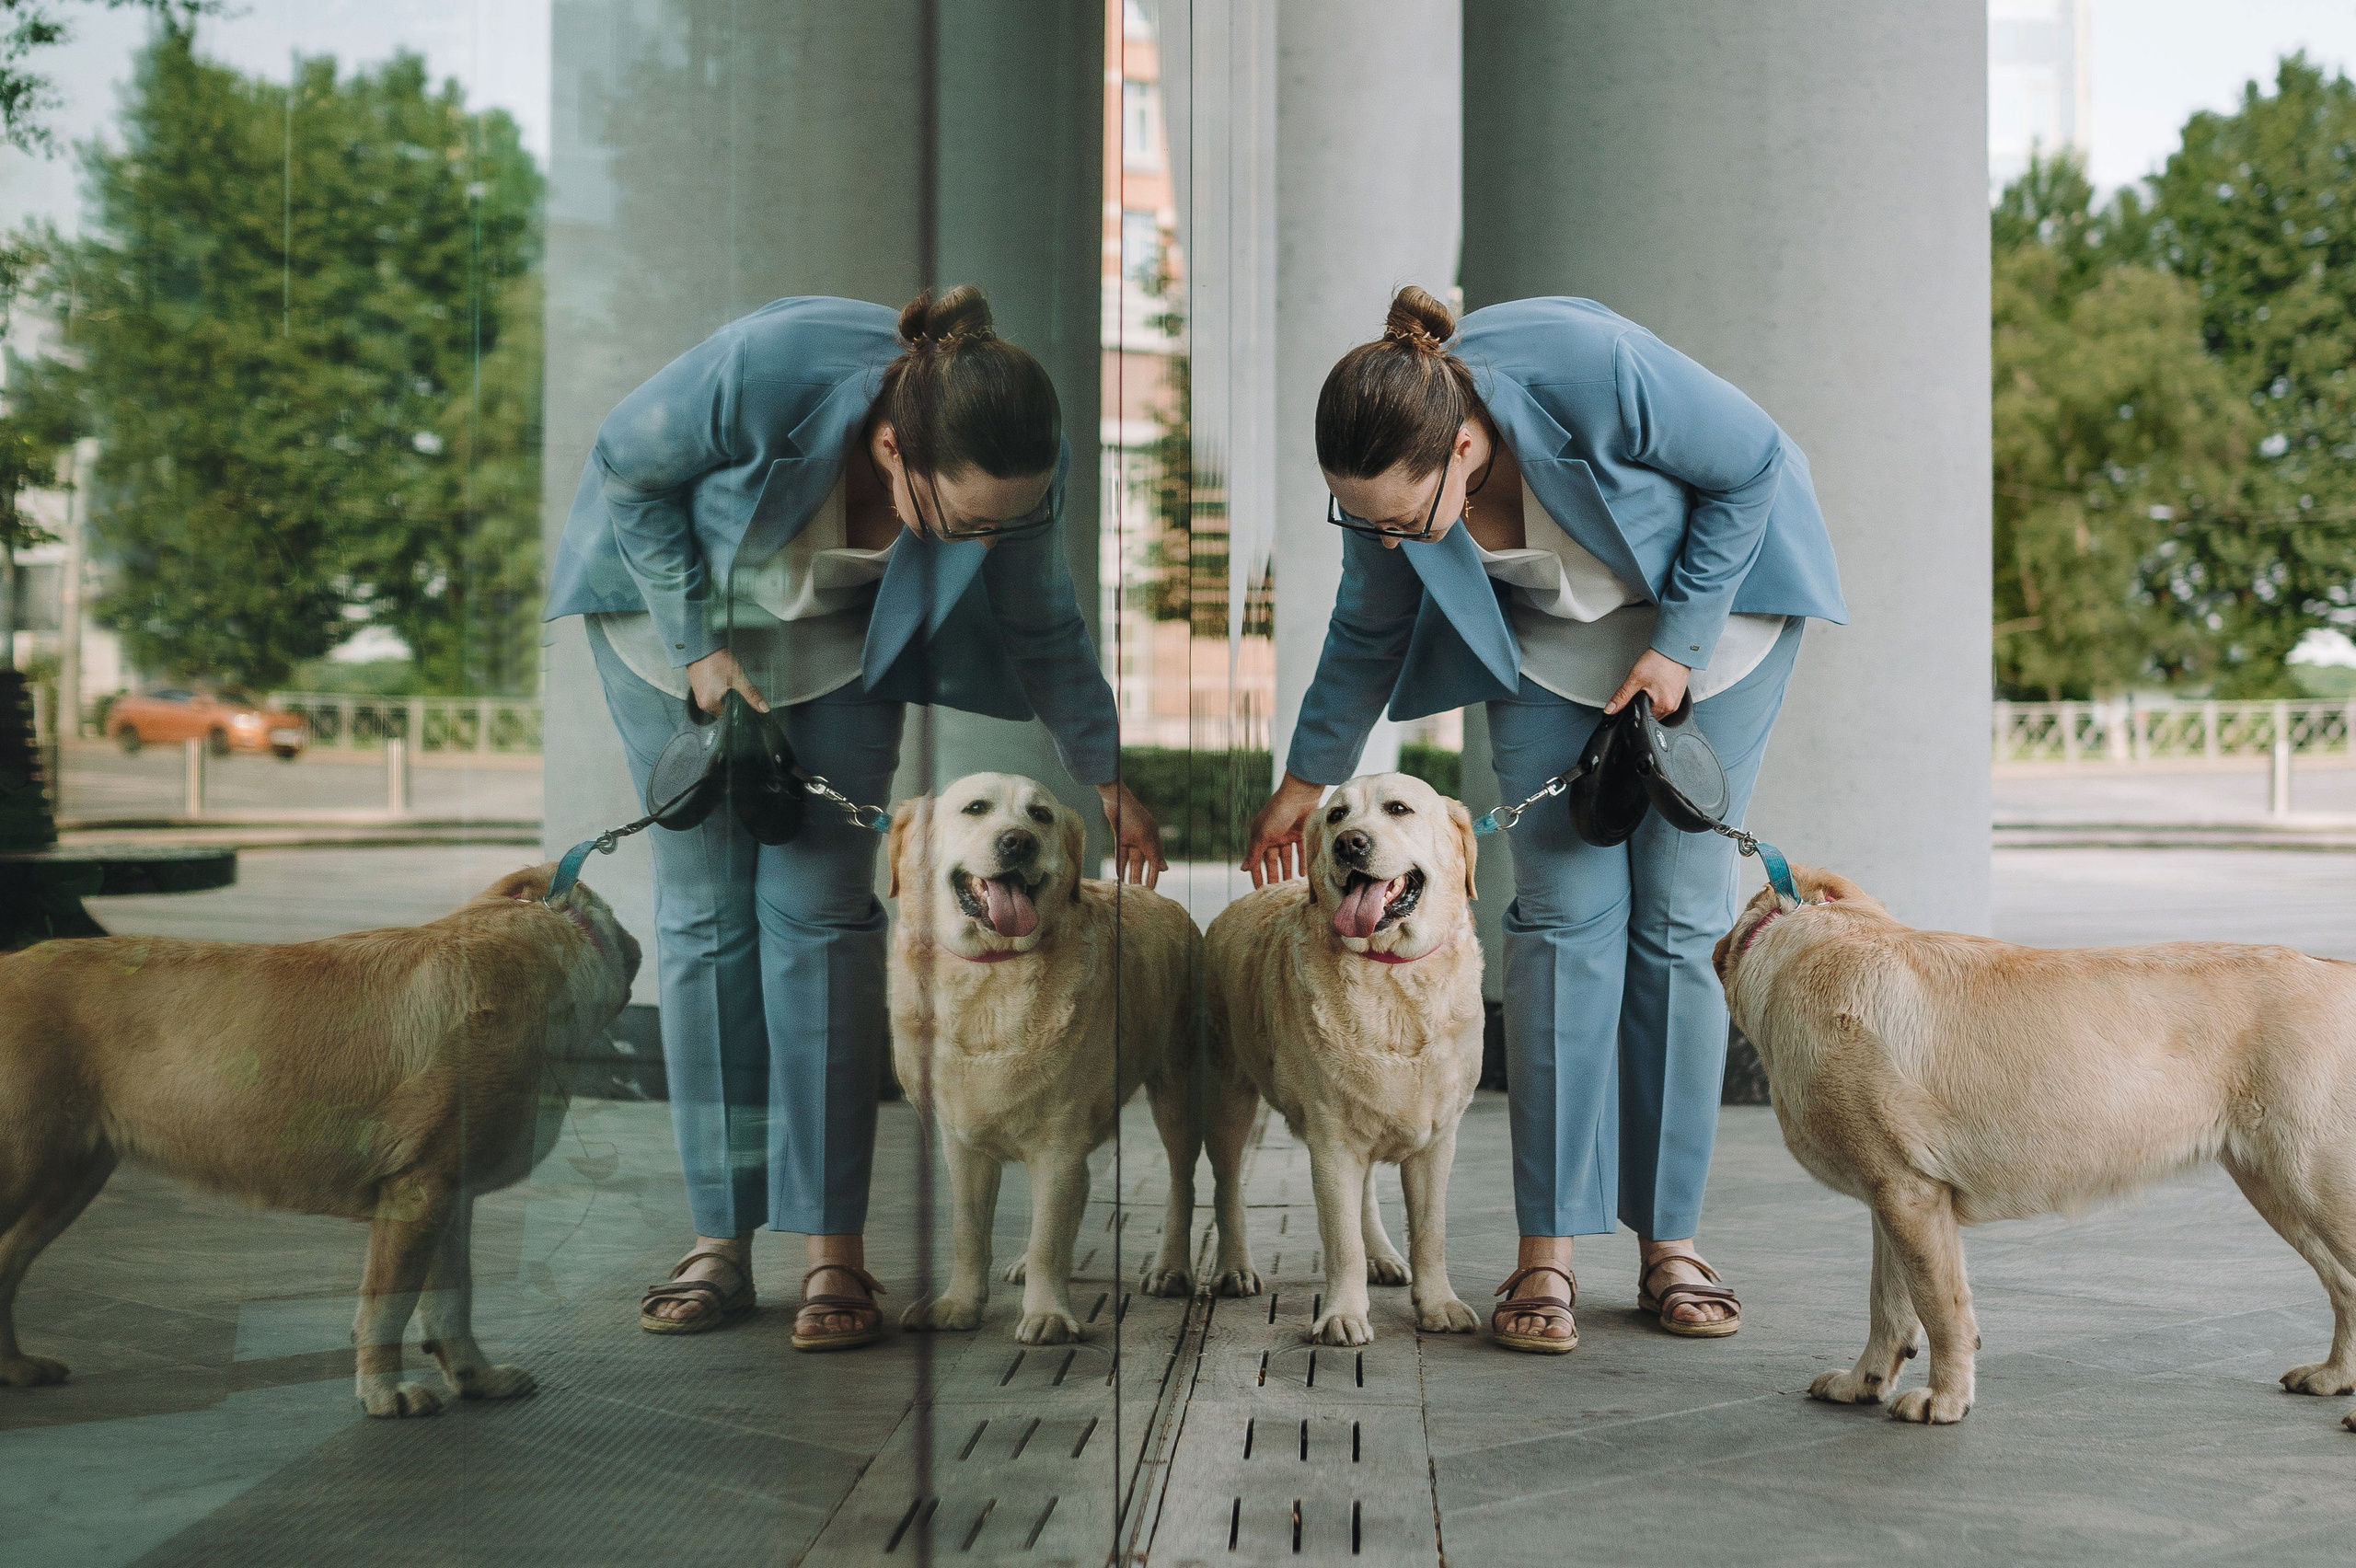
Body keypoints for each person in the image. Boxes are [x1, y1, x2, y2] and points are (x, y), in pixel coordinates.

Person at [545, 287, 1165, 1350]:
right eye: (970, 522)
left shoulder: (1016, 461)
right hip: (668, 626)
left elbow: (1040, 620)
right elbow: (628, 469)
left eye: (1004, 522)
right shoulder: (770, 369)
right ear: (890, 450)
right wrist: (700, 649)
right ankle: (718, 1241)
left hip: (839, 650)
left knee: (824, 917)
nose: (989, 540)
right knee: (707, 922)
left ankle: (834, 1248)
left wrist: (1104, 775)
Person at [1242, 287, 1844, 1352]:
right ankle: (1546, 1249)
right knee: (1561, 920)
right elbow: (1368, 624)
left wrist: (1677, 650)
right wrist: (1304, 777)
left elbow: (1750, 466)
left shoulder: (1587, 369)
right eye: (1361, 518)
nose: (1382, 537)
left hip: (1716, 614)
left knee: (1675, 916)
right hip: (1550, 648)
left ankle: (1670, 1241)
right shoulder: (1386, 482)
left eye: (1400, 518)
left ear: (1464, 447)